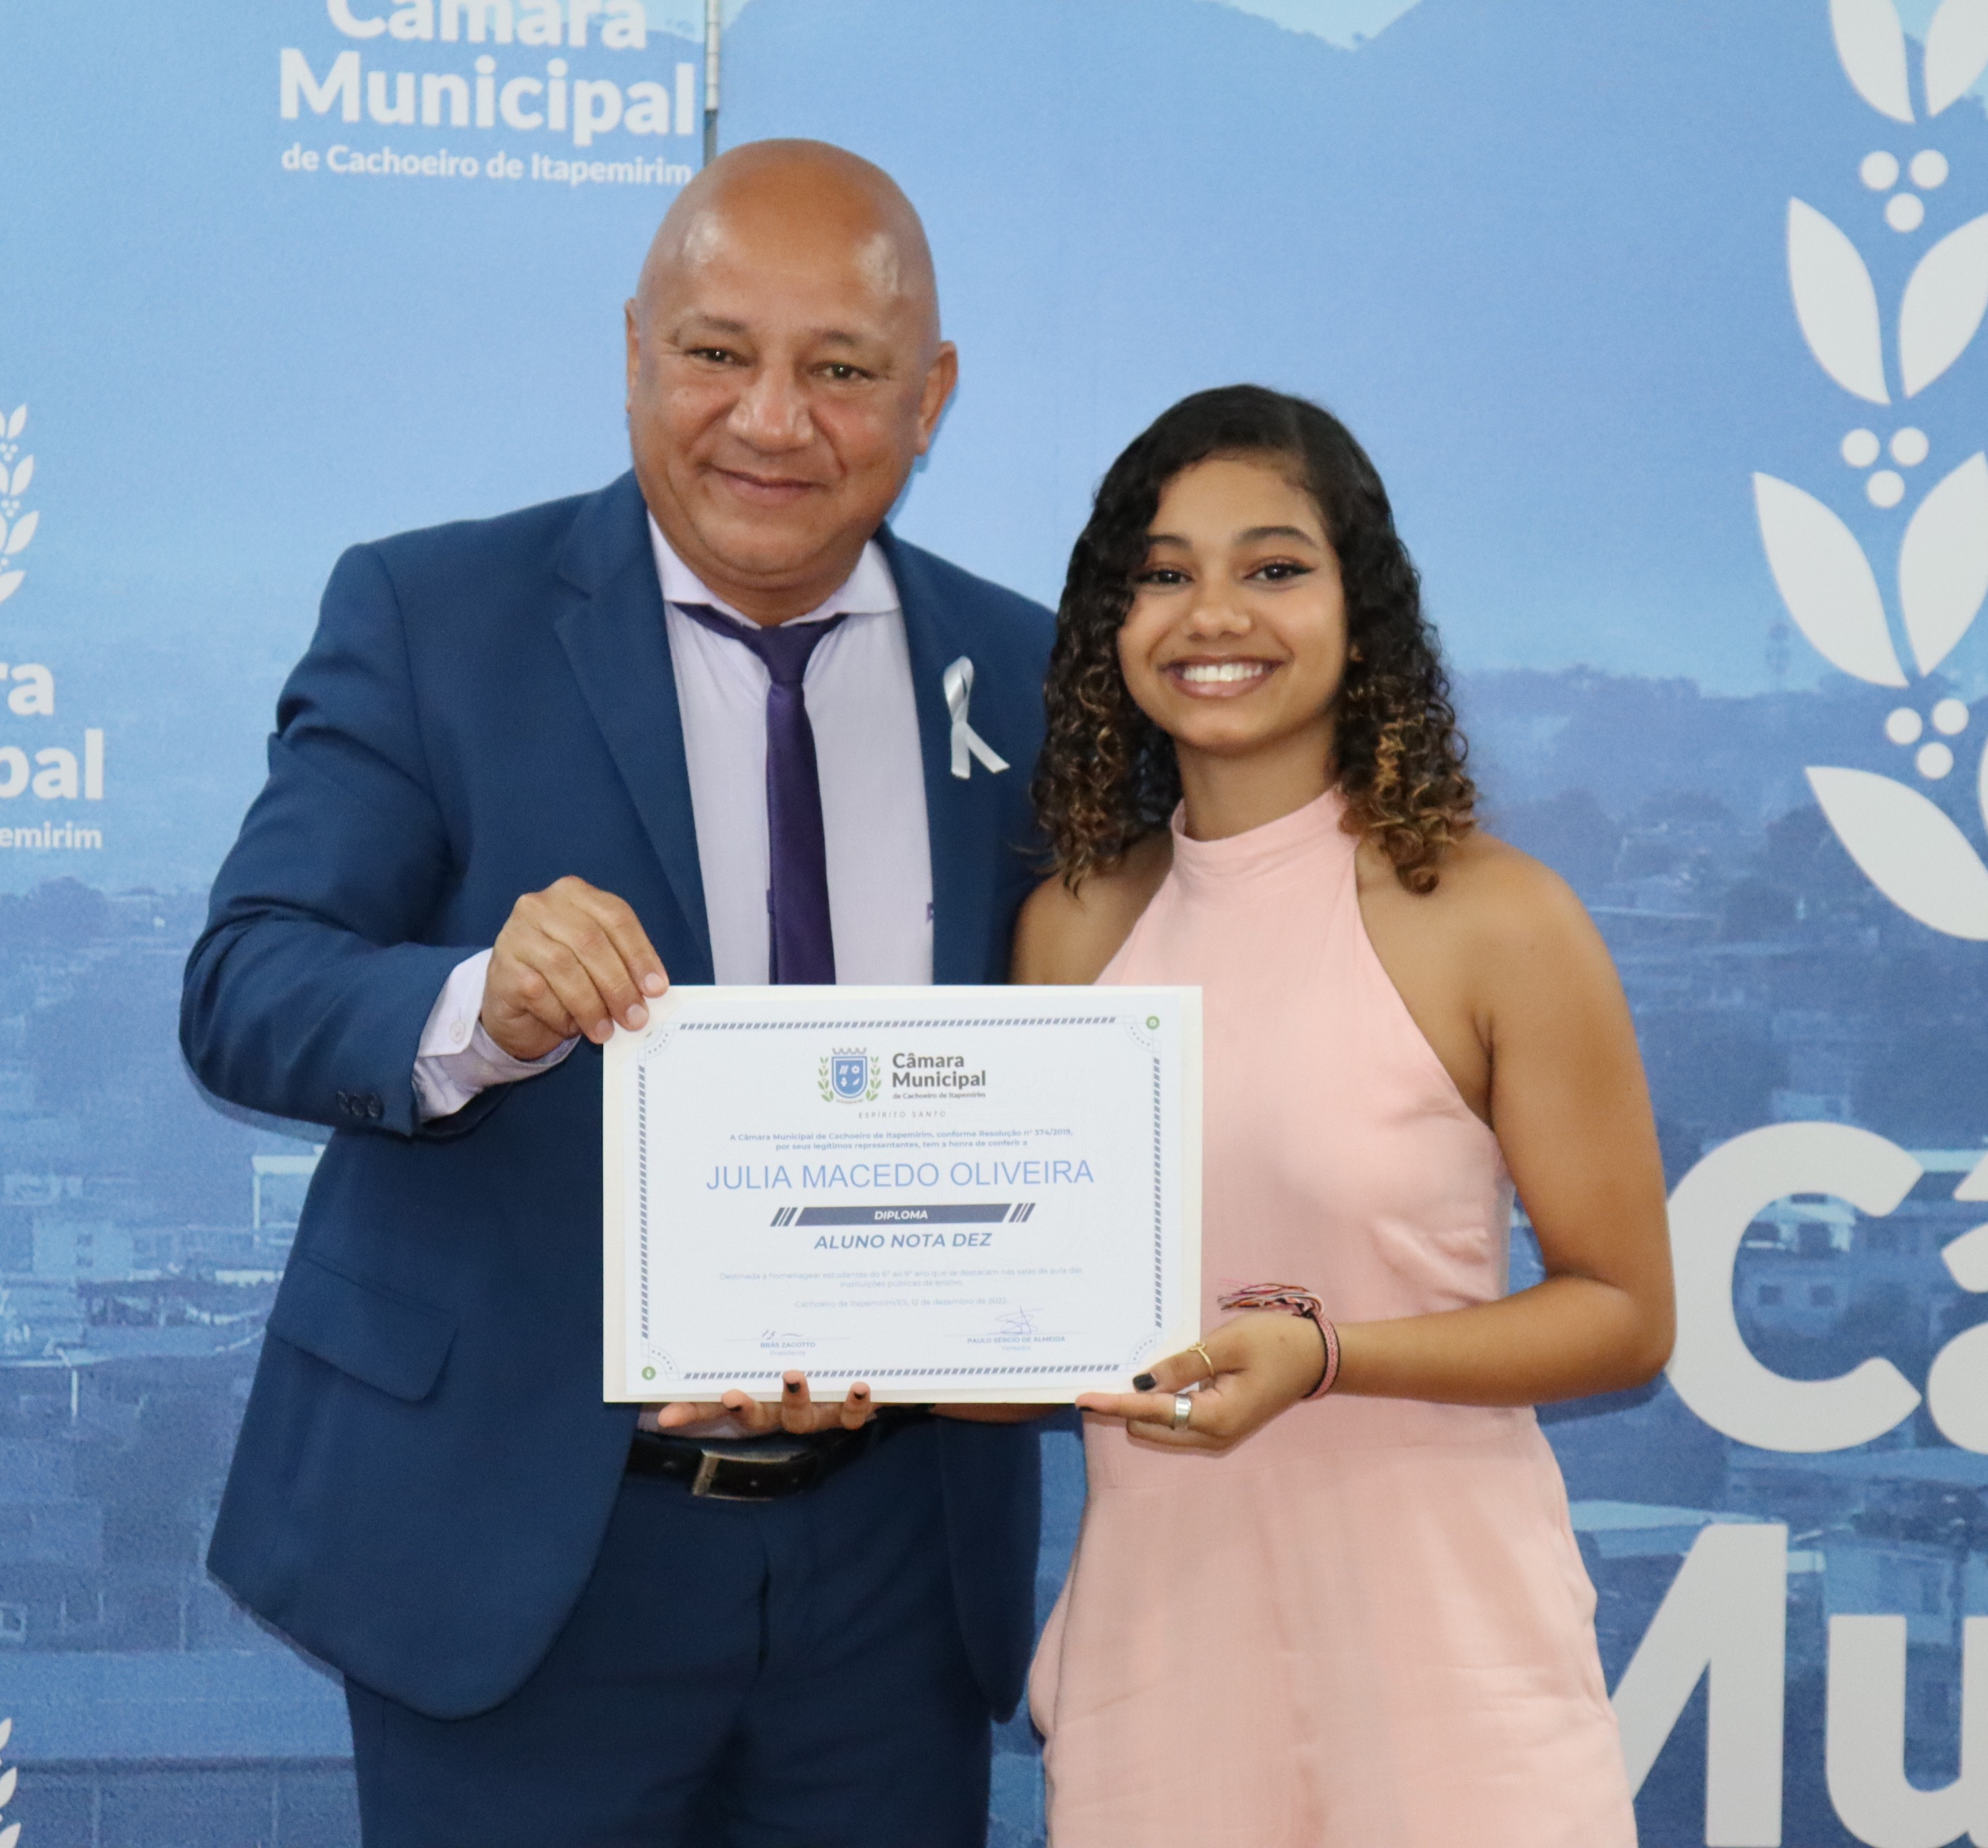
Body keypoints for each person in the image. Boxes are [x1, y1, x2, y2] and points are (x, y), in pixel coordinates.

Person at [181, 141, 1052, 1848]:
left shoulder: (1033, 673)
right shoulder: (433, 615)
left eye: (842, 369)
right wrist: (475, 1009)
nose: (771, 420)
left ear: (932, 395)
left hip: (896, 1575)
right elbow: (248, 979)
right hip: (514, 1551)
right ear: (636, 349)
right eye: (717, 352)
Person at [1018, 385, 1676, 1847]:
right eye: (1163, 572)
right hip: (1161, 1681)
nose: (1213, 614)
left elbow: (1626, 1313)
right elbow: (1035, 1327)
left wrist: (1325, 1357)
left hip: (1454, 1683)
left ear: (1360, 611)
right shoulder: (1071, 927)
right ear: (1111, 622)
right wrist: (818, 1364)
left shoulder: (1497, 918)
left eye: (1273, 566)